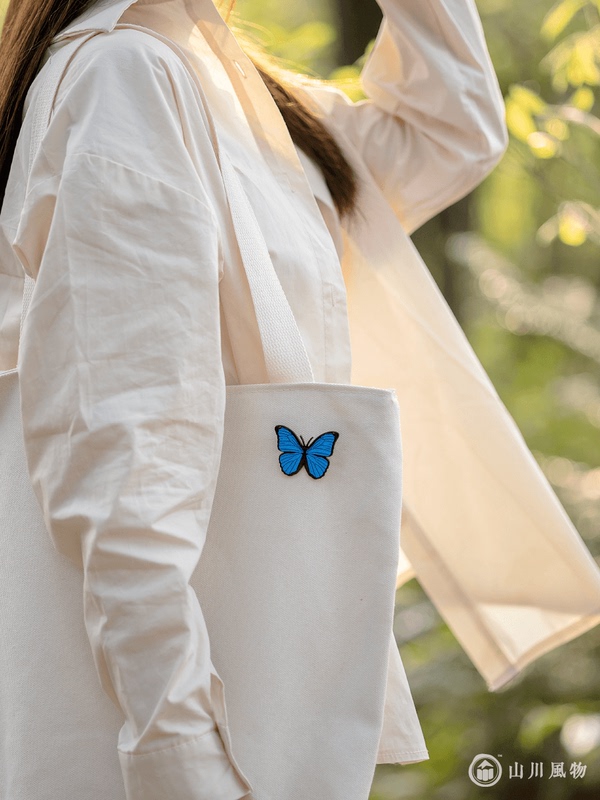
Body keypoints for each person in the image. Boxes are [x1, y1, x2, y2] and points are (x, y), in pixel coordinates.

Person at [1, 0, 599, 799]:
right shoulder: (126, 77)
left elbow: (450, 129)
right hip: (170, 717)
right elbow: (124, 458)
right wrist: (177, 748)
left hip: (243, 690)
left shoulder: (240, 96)